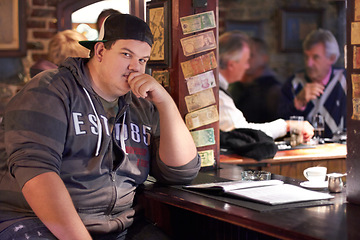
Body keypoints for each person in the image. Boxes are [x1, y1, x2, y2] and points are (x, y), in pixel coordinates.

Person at [0, 13, 200, 240]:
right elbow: (37, 174)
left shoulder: (140, 104)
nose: (135, 67)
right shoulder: (50, 90)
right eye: (127, 54)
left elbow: (181, 172)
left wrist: (165, 103)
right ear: (100, 51)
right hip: (33, 221)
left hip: (116, 227)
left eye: (143, 60)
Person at [219, 30, 314, 140]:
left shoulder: (272, 88)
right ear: (231, 65)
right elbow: (243, 132)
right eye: (245, 61)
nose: (247, 66)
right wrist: (288, 125)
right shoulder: (219, 96)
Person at [279, 28, 346, 138]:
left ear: (332, 58)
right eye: (306, 57)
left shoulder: (347, 81)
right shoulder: (294, 83)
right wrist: (298, 102)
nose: (309, 64)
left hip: (342, 150)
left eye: (315, 57)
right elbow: (280, 126)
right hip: (305, 151)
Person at [228, 37, 282, 123]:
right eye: (245, 55)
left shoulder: (273, 89)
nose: (247, 59)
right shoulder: (237, 84)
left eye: (251, 55)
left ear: (264, 58)